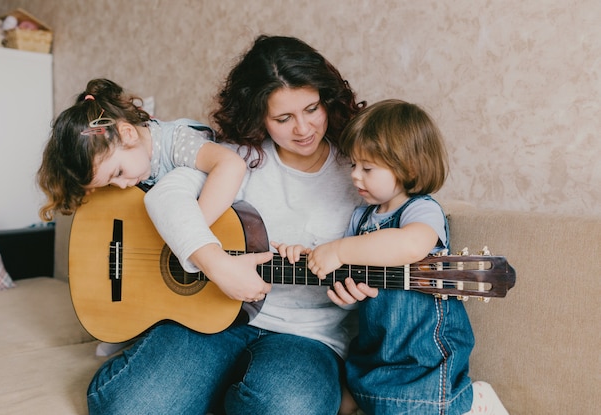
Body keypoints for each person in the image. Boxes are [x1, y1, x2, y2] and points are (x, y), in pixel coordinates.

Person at [86, 35, 365, 415]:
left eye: (312, 108)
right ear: (259, 116)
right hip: (208, 318)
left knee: (287, 408)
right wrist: (216, 264)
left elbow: (387, 242)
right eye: (283, 118)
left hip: (307, 338)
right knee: (127, 406)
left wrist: (359, 294)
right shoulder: (239, 158)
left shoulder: (361, 172)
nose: (303, 129)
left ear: (326, 98)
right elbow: (165, 197)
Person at [274, 99, 508, 415]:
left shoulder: (420, 209)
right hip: (377, 351)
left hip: (420, 357)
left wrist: (339, 250)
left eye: (367, 168)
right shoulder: (361, 218)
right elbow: (350, 285)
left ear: (408, 168)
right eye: (354, 165)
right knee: (338, 403)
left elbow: (411, 245)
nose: (355, 176)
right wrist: (337, 283)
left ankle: (472, 401)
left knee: (410, 404)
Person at [37, 78, 245, 226]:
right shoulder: (126, 162)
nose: (121, 185)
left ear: (128, 133)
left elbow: (231, 165)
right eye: (110, 183)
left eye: (117, 174)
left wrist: (190, 233)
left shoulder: (178, 144)